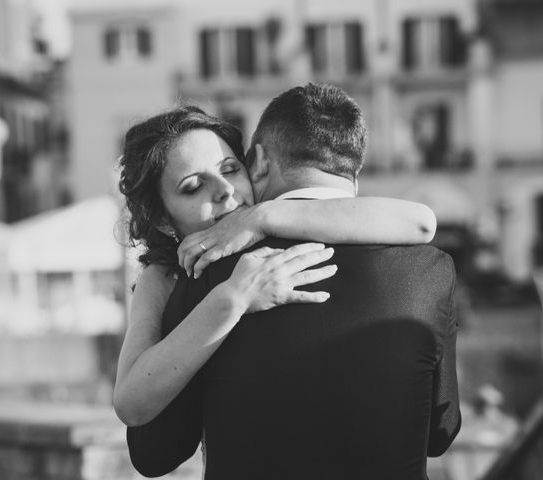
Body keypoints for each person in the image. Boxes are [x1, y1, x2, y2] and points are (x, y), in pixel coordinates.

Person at [126, 84, 461, 480]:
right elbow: (440, 434)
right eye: (193, 186)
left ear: (259, 163)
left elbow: (154, 453)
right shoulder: (430, 269)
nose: (228, 192)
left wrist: (261, 219)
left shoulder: (204, 280)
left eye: (232, 168)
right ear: (356, 166)